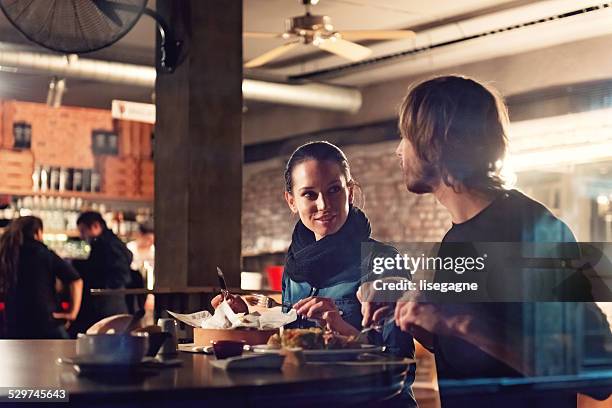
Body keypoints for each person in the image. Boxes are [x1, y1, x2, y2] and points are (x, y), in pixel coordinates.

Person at [361, 75, 611, 405]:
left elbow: (597, 372)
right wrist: (410, 313)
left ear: (436, 142)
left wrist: (460, 322)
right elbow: (471, 351)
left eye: (406, 137)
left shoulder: (532, 231)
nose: (398, 150)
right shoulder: (455, 240)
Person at [0, 216, 82, 339]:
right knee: (65, 353)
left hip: (14, 321)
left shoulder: (7, 252)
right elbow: (75, 280)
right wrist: (72, 313)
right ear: (37, 232)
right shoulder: (42, 252)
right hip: (45, 321)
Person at [71, 211, 133, 334]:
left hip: (107, 303)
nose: (82, 236)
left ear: (95, 226)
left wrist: (104, 287)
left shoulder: (106, 244)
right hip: (113, 301)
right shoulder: (110, 242)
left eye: (83, 231)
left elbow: (120, 274)